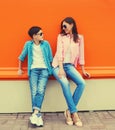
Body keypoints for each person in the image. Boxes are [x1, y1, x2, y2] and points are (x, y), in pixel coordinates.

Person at [52, 17, 90, 127]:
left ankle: (69, 111)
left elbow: (81, 54)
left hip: (70, 66)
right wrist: (61, 69)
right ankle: (74, 113)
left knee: (82, 83)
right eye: (62, 26)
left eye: (65, 26)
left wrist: (83, 70)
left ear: (72, 25)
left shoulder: (79, 38)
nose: (63, 28)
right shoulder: (61, 37)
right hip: (57, 66)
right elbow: (59, 52)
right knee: (65, 83)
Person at [18, 26, 53, 127]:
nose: (43, 35)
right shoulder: (28, 45)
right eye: (40, 34)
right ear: (34, 36)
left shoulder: (46, 44)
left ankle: (35, 114)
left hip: (44, 70)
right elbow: (21, 57)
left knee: (40, 90)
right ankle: (37, 116)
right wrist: (19, 69)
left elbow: (50, 58)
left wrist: (52, 69)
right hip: (33, 70)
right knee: (34, 91)